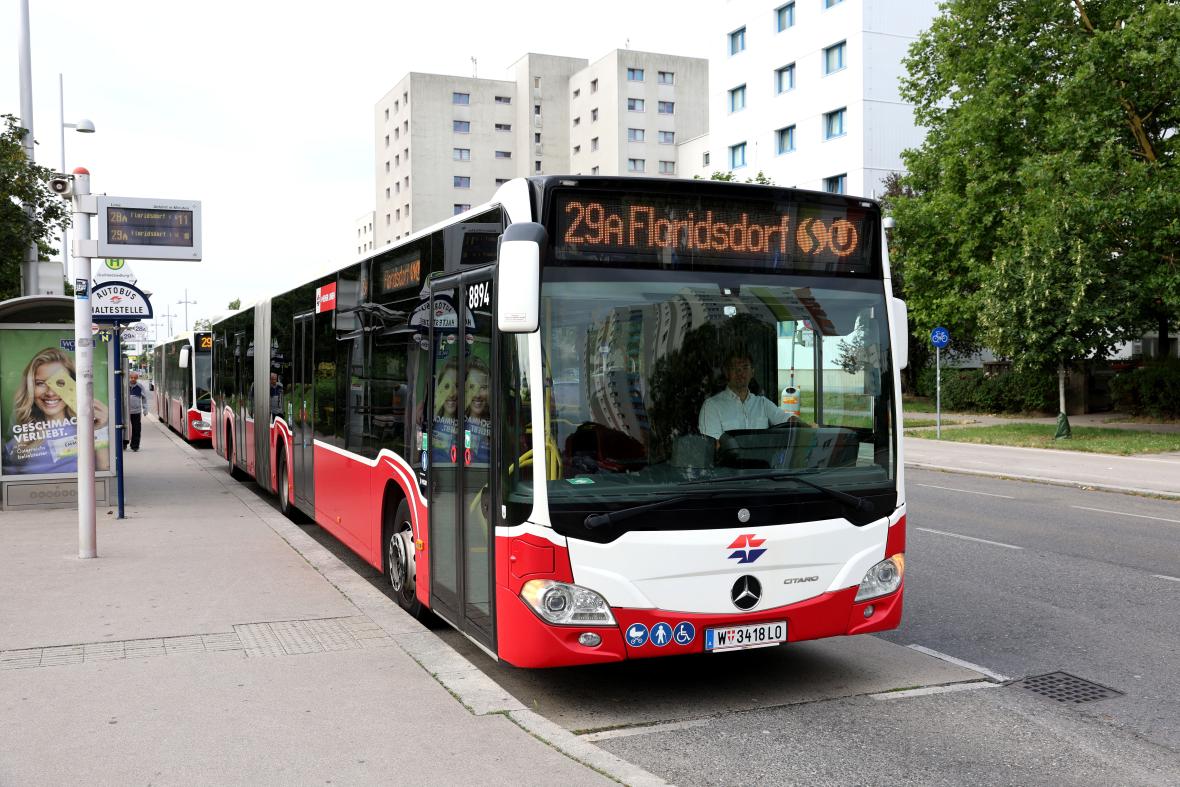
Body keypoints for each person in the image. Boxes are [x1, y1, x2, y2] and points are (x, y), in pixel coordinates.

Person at [3, 347, 110, 474]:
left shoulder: (88, 429)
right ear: (30, 388)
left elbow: (104, 470)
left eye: (59, 383)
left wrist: (99, 430)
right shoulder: (20, 440)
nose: (50, 393)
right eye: (41, 383)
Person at [698, 351, 793, 440]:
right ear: (727, 373)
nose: (740, 373)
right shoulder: (712, 406)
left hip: (764, 458)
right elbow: (713, 447)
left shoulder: (763, 404)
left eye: (745, 367)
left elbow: (788, 420)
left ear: (752, 372)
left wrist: (804, 428)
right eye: (735, 368)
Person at [464, 358, 491, 465]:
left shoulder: (496, 425)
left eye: (483, 387)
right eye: (472, 387)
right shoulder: (456, 426)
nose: (477, 395)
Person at [127, 371, 147, 451]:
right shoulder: (125, 385)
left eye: (135, 378)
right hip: (126, 412)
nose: (133, 379)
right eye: (132, 377)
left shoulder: (140, 387)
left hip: (136, 412)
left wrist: (145, 409)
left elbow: (144, 399)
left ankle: (135, 446)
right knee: (124, 428)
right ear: (129, 377)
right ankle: (124, 443)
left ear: (137, 378)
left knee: (136, 429)